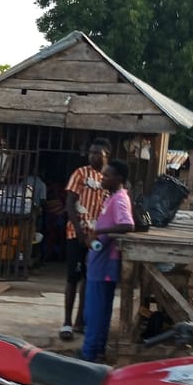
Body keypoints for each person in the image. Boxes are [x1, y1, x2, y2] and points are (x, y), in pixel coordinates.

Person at [80, 159, 135, 362]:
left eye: (107, 175)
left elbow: (127, 225)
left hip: (104, 265)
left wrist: (98, 232)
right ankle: (97, 350)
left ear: (118, 178)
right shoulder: (112, 198)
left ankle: (89, 355)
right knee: (100, 310)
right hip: (99, 261)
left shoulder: (119, 199)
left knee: (95, 311)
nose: (102, 178)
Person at [60, 138, 111, 341]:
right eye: (91, 153)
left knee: (89, 279)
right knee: (72, 277)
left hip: (98, 237)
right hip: (77, 234)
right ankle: (67, 322)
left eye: (97, 153)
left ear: (107, 155)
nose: (93, 156)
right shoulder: (80, 173)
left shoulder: (109, 179)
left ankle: (80, 320)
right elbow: (70, 204)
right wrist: (80, 232)